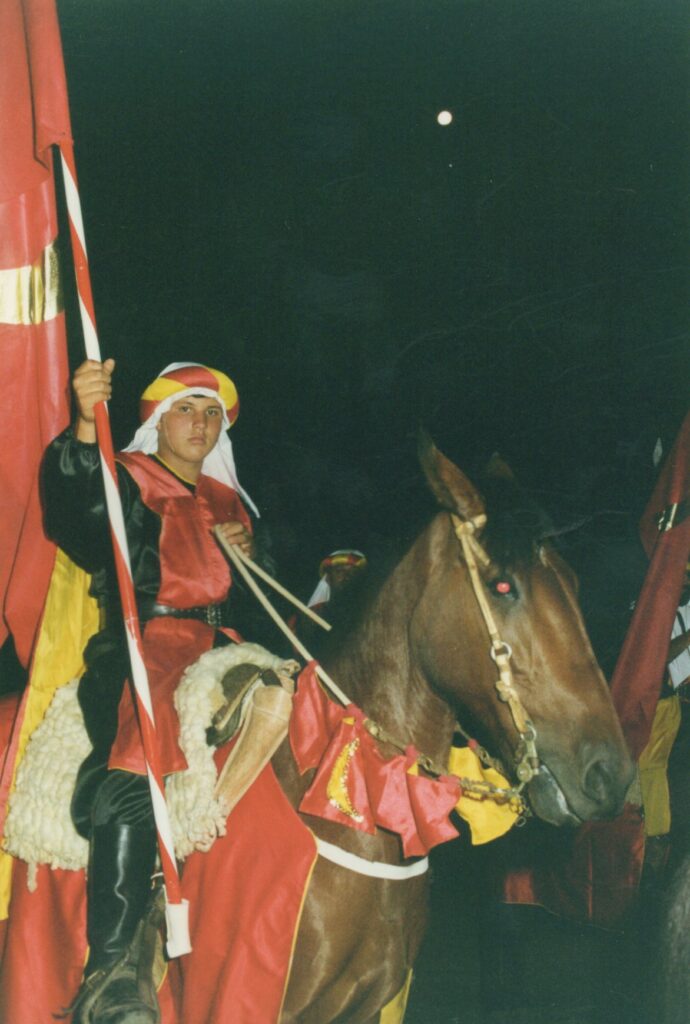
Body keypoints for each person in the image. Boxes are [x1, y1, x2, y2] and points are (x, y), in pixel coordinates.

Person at [42, 358, 258, 1021]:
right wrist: (86, 426)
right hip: (147, 645)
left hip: (225, 645)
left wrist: (251, 561)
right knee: (139, 756)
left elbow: (262, 597)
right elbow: (78, 519)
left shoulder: (229, 501)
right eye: (185, 409)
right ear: (158, 421)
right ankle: (110, 971)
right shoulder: (128, 479)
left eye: (212, 413)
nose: (201, 423)